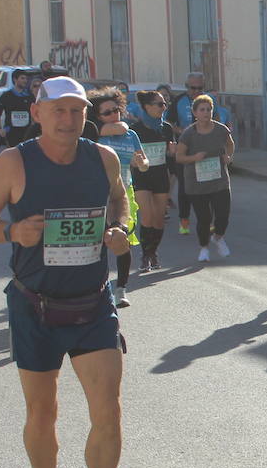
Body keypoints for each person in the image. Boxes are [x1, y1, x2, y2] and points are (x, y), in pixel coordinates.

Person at [0, 76, 136, 468]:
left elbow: (119, 200)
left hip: (92, 303)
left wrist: (121, 230)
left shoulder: (101, 157)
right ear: (38, 113)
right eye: (59, 110)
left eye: (77, 111)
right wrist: (14, 232)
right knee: (42, 411)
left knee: (108, 410)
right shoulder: (14, 162)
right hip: (34, 305)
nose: (69, 119)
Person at [89, 88, 148, 307]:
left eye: (117, 110)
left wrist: (141, 163)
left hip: (123, 192)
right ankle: (97, 289)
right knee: (98, 243)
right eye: (107, 112)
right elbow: (115, 127)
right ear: (97, 117)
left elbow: (143, 163)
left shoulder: (131, 135)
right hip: (96, 194)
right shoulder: (95, 133)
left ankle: (121, 289)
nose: (115, 115)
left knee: (122, 241)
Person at [174, 94, 235, 263]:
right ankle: (204, 248)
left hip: (219, 181)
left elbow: (230, 144)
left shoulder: (221, 129)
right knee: (204, 218)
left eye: (209, 109)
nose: (206, 113)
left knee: (223, 215)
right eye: (202, 110)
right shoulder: (189, 134)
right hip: (196, 183)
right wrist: (194, 158)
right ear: (195, 113)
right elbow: (179, 157)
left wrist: (228, 157)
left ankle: (218, 237)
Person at [130, 91, 178, 270]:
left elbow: (171, 155)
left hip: (160, 176)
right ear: (147, 107)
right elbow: (129, 155)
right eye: (159, 104)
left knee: (158, 220)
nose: (163, 107)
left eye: (165, 104)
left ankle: (153, 252)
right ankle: (145, 255)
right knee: (147, 217)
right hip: (142, 177)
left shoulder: (166, 128)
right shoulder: (135, 129)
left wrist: (172, 153)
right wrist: (134, 161)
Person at [0, 69, 36, 149]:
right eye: (22, 78)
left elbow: (35, 112)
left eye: (26, 79)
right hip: (11, 132)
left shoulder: (29, 96)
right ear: (15, 79)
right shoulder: (7, 95)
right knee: (14, 155)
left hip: (27, 132)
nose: (25, 81)